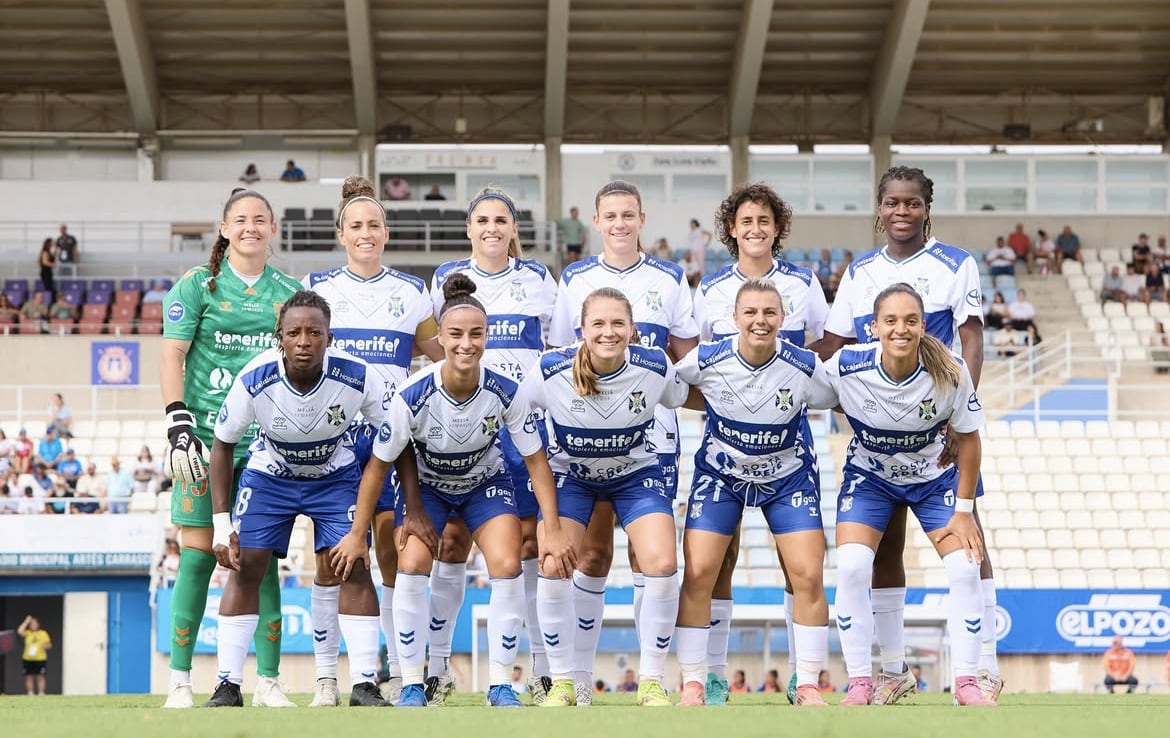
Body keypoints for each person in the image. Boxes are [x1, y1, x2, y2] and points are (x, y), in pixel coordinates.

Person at [332, 274, 571, 709]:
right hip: (427, 488)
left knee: (506, 562)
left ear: (487, 336)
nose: (466, 344)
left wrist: (551, 526)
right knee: (413, 563)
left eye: (476, 334)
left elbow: (537, 460)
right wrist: (357, 533)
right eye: (456, 334)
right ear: (439, 337)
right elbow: (377, 468)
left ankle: (501, 683)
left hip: (485, 483)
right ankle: (410, 683)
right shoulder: (411, 395)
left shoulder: (505, 388)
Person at [811, 165, 995, 705]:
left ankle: (980, 668)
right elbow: (832, 344)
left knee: (970, 546)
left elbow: (972, 340)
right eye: (892, 202)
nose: (901, 211)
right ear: (880, 207)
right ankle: (888, 672)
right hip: (878, 441)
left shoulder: (955, 264)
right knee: (879, 552)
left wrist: (961, 419)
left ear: (926, 208)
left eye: (912, 203)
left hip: (937, 433)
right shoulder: (860, 271)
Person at [547, 180, 699, 706]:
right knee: (590, 556)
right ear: (596, 220)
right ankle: (578, 681)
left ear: (642, 218)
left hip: (650, 439)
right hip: (585, 436)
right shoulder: (575, 279)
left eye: (628, 214)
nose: (619, 223)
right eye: (609, 215)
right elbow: (564, 353)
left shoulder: (670, 277)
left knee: (650, 558)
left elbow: (684, 359)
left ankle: (650, 678)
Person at [204, 290, 390, 709]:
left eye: (314, 332)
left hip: (335, 476)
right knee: (245, 566)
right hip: (271, 477)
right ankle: (228, 685)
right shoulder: (255, 377)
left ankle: (364, 684)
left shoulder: (358, 375)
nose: (304, 341)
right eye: (294, 333)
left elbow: (395, 436)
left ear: (329, 337)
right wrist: (221, 525)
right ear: (280, 338)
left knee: (354, 564)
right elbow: (222, 444)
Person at [300, 175, 442, 707]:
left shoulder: (410, 291)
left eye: (374, 225)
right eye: (356, 225)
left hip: (392, 439)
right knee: (331, 560)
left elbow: (441, 353)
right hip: (334, 441)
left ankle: (387, 673)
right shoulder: (318, 287)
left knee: (388, 553)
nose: (366, 234)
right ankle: (323, 679)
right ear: (341, 232)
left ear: (387, 232)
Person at [159, 186, 302, 709]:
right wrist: (177, 422)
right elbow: (172, 354)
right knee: (197, 558)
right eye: (240, 219)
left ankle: (267, 681)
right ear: (224, 229)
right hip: (202, 441)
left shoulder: (288, 290)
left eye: (259, 219)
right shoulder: (197, 285)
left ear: (272, 230)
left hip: (265, 445)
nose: (250, 226)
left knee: (257, 560)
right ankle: (179, 682)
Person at [692, 183, 829, 706]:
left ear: (777, 228)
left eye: (764, 221)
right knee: (717, 561)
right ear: (732, 228)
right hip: (725, 440)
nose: (755, 229)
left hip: (788, 439)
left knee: (798, 563)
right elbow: (697, 357)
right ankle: (715, 674)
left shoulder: (802, 282)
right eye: (745, 220)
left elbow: (824, 343)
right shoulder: (711, 288)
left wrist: (780, 387)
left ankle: (804, 676)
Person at [426, 185, 558, 704]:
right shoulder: (445, 280)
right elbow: (440, 350)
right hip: (463, 427)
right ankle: (435, 670)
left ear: (513, 229)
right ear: (469, 228)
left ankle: (543, 669)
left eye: (501, 219)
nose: (491, 228)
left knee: (528, 548)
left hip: (523, 428)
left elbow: (557, 347)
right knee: (451, 544)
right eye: (482, 220)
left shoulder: (538, 279)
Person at [529, 287, 689, 708]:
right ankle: (565, 682)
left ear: (633, 329)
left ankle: (652, 681)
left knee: (662, 562)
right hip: (573, 476)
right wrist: (549, 519)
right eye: (598, 323)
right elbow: (517, 419)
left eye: (618, 323)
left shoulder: (655, 366)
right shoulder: (549, 370)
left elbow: (678, 397)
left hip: (635, 474)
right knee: (554, 562)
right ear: (581, 329)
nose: (609, 332)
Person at [17, 615, 51, 695]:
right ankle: (30, 693)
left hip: (40, 658)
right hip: (28, 658)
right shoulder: (28, 633)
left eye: (35, 624)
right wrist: (26, 621)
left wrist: (45, 646)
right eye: (31, 624)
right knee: (29, 677)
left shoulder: (43, 633)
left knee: (40, 676)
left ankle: (41, 693)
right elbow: (19, 631)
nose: (33, 625)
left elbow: (49, 645)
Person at [37, 239, 55, 303]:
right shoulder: (45, 252)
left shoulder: (49, 252)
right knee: (48, 288)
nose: (53, 243)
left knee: (50, 288)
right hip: (45, 272)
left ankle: (50, 301)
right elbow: (45, 262)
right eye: (52, 243)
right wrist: (53, 265)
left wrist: (56, 248)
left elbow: (53, 257)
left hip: (48, 272)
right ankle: (48, 302)